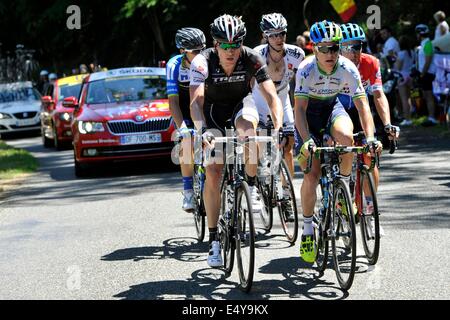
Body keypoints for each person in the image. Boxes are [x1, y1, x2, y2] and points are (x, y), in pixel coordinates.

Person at [189, 14, 283, 267]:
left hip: (241, 106)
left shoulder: (252, 58)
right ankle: (214, 241)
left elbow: (272, 97)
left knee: (250, 135)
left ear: (242, 43)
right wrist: (202, 131)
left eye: (235, 45)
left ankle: (251, 188)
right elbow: (196, 102)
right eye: (224, 45)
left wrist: (279, 126)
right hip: (211, 113)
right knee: (213, 171)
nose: (230, 51)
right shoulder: (201, 61)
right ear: (215, 43)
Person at [294, 20, 381, 263]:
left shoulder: (347, 68)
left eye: (334, 47)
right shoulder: (305, 70)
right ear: (314, 49)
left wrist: (372, 138)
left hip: (332, 108)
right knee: (311, 174)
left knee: (346, 138)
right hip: (307, 117)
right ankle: (309, 229)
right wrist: (306, 141)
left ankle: (342, 190)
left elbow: (364, 107)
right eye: (324, 49)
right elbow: (299, 110)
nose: (330, 53)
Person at [338, 23, 400, 236]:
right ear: (339, 48)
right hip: (338, 112)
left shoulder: (371, 62)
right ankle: (338, 201)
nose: (355, 52)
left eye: (359, 46)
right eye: (349, 47)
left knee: (370, 155)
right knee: (337, 154)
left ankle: (369, 211)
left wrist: (387, 124)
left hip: (361, 112)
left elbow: (379, 96)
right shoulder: (332, 66)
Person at [253, 12, 305, 178]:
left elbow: (300, 85)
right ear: (265, 36)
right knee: (258, 144)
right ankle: (258, 179)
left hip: (282, 101)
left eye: (281, 33)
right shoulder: (256, 55)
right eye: (273, 35)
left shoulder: (297, 55)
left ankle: (287, 192)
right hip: (259, 102)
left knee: (287, 146)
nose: (279, 38)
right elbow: (247, 84)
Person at [166, 27, 206, 212]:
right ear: (183, 51)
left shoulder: (207, 61)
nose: (200, 55)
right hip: (183, 108)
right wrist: (182, 128)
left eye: (202, 49)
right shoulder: (174, 65)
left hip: (202, 106)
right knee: (187, 142)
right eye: (195, 51)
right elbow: (173, 102)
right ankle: (188, 190)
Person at [415, 24, 438, 126]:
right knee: (427, 96)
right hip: (425, 73)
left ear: (420, 34)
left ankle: (432, 118)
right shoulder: (424, 43)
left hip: (428, 74)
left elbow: (428, 61)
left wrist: (422, 73)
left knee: (429, 96)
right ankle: (430, 116)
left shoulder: (428, 43)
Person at [395, 36, 415, 126]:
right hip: (410, 76)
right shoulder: (412, 52)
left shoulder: (401, 54)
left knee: (404, 99)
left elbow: (398, 67)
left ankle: (407, 119)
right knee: (409, 97)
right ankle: (410, 117)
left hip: (402, 76)